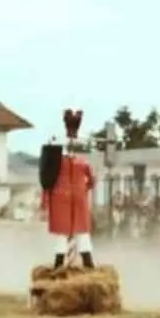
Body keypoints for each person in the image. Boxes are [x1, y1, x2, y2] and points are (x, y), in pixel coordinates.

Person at [39, 109, 97, 269]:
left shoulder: (57, 164)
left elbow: (46, 181)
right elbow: (92, 181)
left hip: (61, 198)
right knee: (80, 233)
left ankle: (60, 266)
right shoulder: (83, 163)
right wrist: (83, 190)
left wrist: (45, 202)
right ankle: (88, 265)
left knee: (64, 234)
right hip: (76, 198)